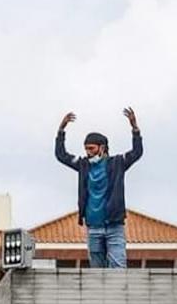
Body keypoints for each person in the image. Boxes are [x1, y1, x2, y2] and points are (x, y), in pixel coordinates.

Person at [54, 107, 144, 269]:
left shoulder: (117, 163)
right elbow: (61, 155)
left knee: (117, 267)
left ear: (102, 148)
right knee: (97, 272)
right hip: (93, 227)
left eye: (91, 149)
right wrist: (61, 130)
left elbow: (137, 152)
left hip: (114, 225)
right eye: (86, 149)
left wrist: (135, 129)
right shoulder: (83, 165)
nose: (88, 152)